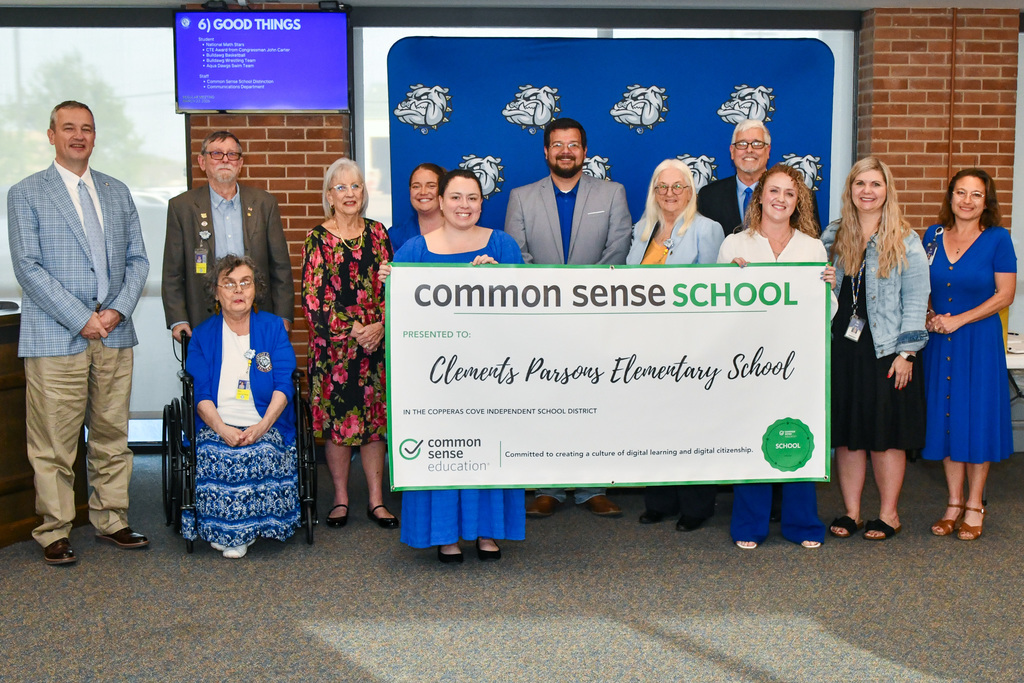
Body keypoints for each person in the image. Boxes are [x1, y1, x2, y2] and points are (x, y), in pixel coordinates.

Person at [7, 100, 150, 565]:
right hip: (56, 337)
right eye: (68, 128)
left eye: (86, 128)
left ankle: (112, 519)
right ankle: (54, 529)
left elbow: (137, 261)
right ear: (51, 135)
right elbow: (28, 268)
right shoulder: (26, 193)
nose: (78, 136)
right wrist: (81, 317)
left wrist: (115, 312)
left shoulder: (116, 190)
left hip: (113, 333)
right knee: (53, 443)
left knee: (112, 435)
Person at [382, 169, 525, 563]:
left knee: (487, 448)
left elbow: (526, 317)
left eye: (473, 198)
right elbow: (398, 321)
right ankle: (444, 533)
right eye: (457, 198)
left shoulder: (503, 246)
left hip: (490, 374)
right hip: (435, 379)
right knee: (444, 450)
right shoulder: (412, 251)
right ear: (441, 202)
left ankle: (487, 531)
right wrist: (391, 286)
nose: (465, 206)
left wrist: (499, 284)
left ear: (482, 202)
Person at [505, 117, 631, 518]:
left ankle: (593, 486)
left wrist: (584, 298)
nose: (565, 151)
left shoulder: (612, 193)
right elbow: (516, 253)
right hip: (539, 319)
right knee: (544, 401)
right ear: (546, 151)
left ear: (584, 151)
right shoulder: (522, 197)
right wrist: (549, 300)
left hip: (597, 317)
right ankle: (548, 487)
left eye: (573, 145)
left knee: (597, 400)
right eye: (557, 144)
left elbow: (619, 247)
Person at [717, 163, 832, 550]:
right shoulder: (736, 246)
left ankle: (802, 524)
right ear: (760, 196)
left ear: (798, 201)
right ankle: (749, 526)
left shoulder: (812, 247)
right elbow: (718, 307)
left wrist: (828, 288)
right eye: (774, 191)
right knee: (752, 437)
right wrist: (729, 279)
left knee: (799, 435)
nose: (781, 199)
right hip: (749, 362)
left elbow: (827, 311)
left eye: (789, 193)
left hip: (799, 361)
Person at [822, 158, 930, 541]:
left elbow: (917, 299)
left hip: (887, 350)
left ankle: (888, 514)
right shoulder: (833, 235)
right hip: (843, 348)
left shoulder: (905, 239)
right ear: (850, 190)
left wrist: (908, 353)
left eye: (875, 184)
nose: (867, 191)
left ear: (887, 191)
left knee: (886, 435)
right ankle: (852, 512)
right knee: (850, 436)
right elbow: (820, 292)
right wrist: (826, 281)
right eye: (860, 184)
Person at [626, 159, 723, 531]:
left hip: (691, 347)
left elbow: (717, 291)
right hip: (648, 346)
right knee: (655, 423)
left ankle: (696, 505)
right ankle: (660, 501)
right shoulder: (642, 229)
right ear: (654, 192)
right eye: (662, 187)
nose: (670, 194)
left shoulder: (706, 229)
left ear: (690, 191)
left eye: (678, 186)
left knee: (692, 425)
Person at [182, 255, 299, 558]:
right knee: (215, 451)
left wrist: (262, 427)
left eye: (245, 283)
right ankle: (234, 532)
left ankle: (232, 532)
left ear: (255, 290)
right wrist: (222, 429)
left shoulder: (273, 329)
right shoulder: (203, 336)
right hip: (217, 423)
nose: (238, 291)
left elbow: (284, 386)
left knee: (258, 450)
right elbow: (202, 395)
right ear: (216, 292)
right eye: (229, 284)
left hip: (266, 421)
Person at [302, 158, 397, 530]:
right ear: (329, 196)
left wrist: (380, 325)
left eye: (355, 186)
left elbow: (394, 285)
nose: (349, 193)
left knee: (374, 426)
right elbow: (313, 300)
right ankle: (341, 499)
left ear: (364, 192)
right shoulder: (317, 237)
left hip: (376, 347)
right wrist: (357, 329)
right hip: (335, 351)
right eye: (340, 187)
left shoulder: (378, 233)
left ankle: (376, 500)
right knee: (338, 426)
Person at [922, 169, 1016, 541]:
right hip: (940, 341)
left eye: (976, 195)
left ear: (986, 202)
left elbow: (1005, 294)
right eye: (960, 192)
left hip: (977, 342)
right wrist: (929, 315)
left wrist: (959, 319)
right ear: (950, 197)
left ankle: (975, 504)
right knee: (946, 417)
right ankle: (953, 502)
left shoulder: (998, 239)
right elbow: (921, 282)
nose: (967, 200)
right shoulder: (932, 235)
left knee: (975, 419)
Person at [162, 130, 294, 341]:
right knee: (211, 374)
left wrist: (283, 316)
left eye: (232, 155)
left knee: (260, 372)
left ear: (240, 163)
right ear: (202, 162)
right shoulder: (182, 207)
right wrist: (178, 319)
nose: (225, 160)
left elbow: (280, 267)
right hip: (202, 319)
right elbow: (172, 273)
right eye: (216, 154)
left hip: (259, 316)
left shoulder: (264, 204)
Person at [698, 118, 821, 237]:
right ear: (732, 151)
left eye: (757, 144)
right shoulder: (709, 197)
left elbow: (811, 243)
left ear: (768, 151)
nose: (749, 150)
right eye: (742, 144)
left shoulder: (802, 195)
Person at [388, 163, 446, 253]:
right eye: (416, 186)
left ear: (443, 190)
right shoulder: (396, 235)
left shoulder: (462, 230)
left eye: (431, 186)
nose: (423, 192)